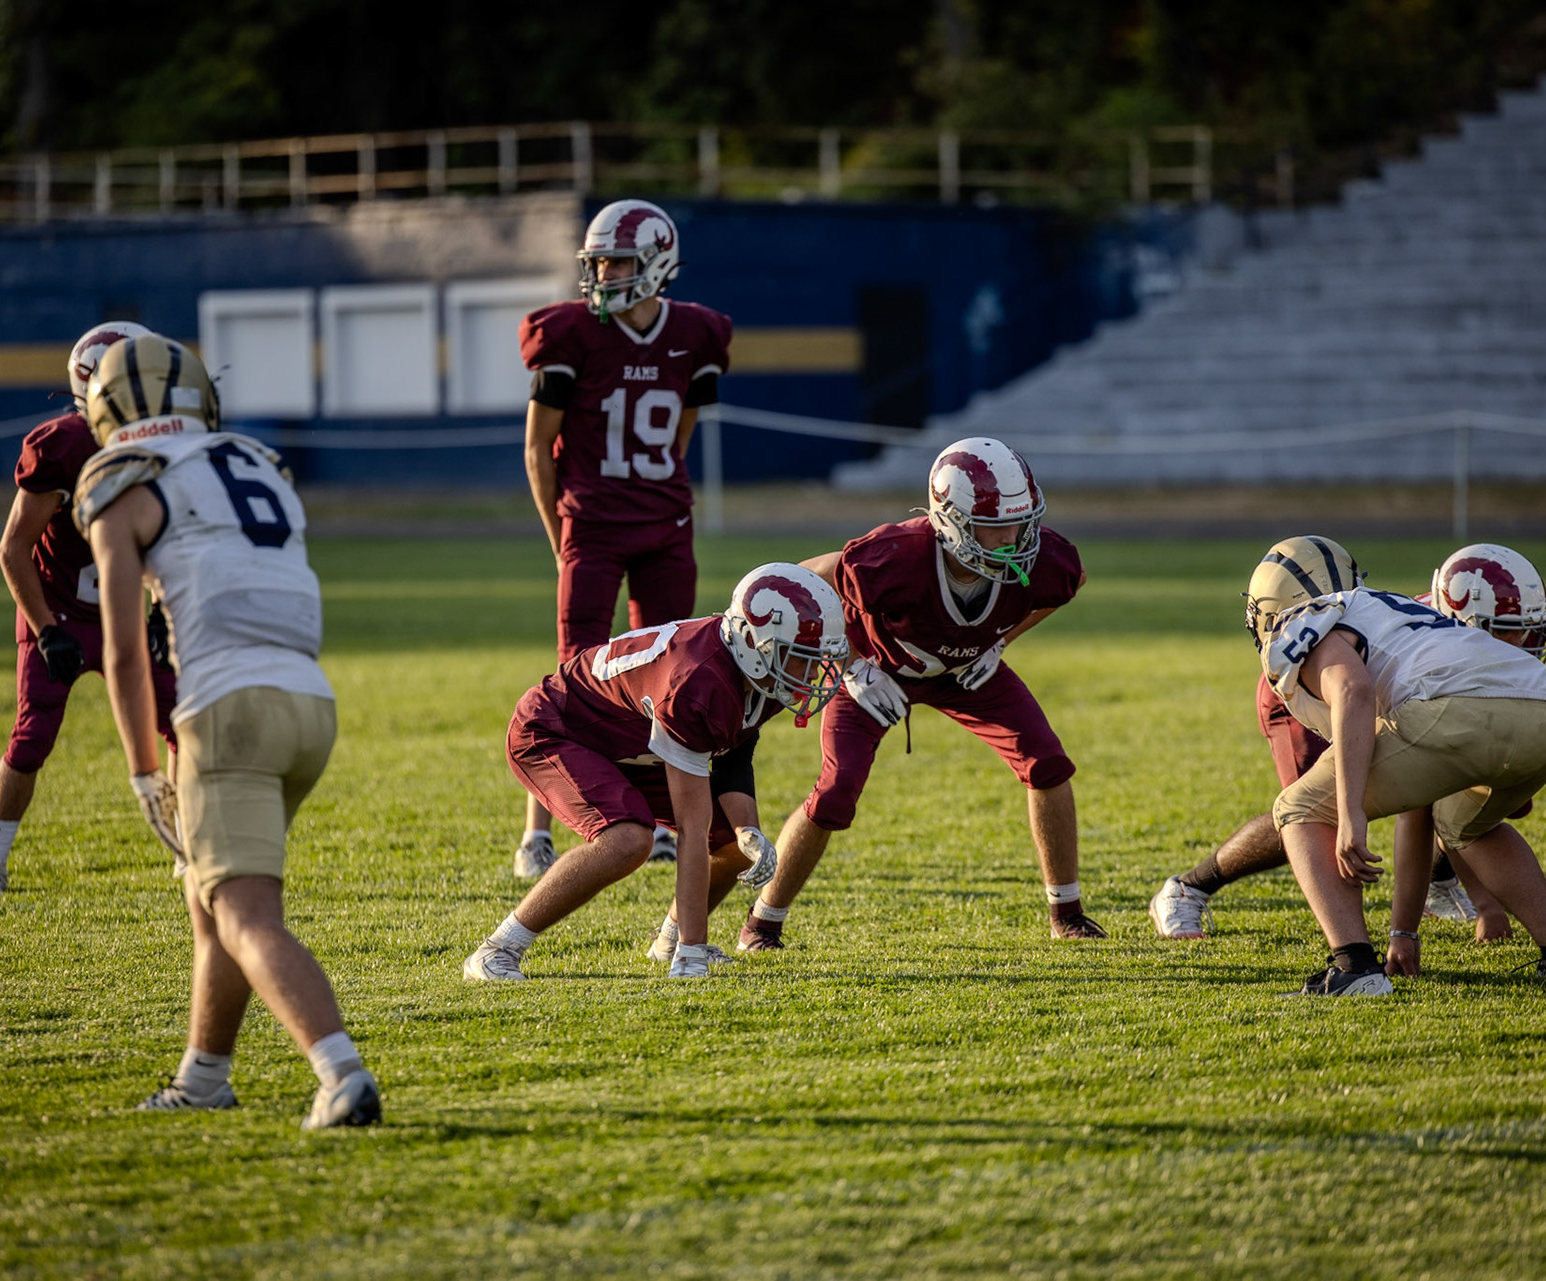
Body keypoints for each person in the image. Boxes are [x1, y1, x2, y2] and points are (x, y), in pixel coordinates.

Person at [73, 334, 379, 1128]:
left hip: (225, 708)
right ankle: (204, 1075)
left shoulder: (119, 477)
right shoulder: (252, 457)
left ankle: (340, 1072)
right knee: (213, 901)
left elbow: (122, 649)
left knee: (246, 916)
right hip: (309, 701)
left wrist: (144, 767)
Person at [733, 437, 1101, 953]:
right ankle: (763, 922)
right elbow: (804, 580)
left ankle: (1067, 912)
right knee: (837, 792)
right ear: (949, 520)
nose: (1015, 539)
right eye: (996, 528)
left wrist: (999, 642)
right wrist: (851, 666)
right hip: (877, 668)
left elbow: (1070, 581)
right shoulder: (893, 557)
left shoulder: (1043, 559)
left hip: (966, 667)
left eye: (1021, 522)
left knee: (1047, 763)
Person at [1148, 541, 1546, 942]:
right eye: (1506, 632)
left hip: (1373, 688)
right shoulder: (1334, 638)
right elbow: (1353, 693)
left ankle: (1437, 881)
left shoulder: (1444, 632)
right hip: (1316, 682)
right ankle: (1193, 887)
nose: (1520, 644)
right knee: (1313, 813)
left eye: (1524, 630)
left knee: (1449, 799)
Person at [1242, 536, 1546, 996]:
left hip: (1457, 711)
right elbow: (1419, 811)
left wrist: (1350, 815)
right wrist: (1403, 932)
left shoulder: (1305, 623)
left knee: (1299, 808)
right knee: (1464, 825)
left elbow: (1351, 689)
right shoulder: (1391, 607)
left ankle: (1353, 969)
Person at [465, 563, 848, 981]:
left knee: (733, 847)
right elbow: (691, 824)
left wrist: (747, 830)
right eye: (801, 660)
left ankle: (669, 943)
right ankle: (498, 948)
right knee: (629, 839)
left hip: (633, 742)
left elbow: (734, 753)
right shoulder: (699, 683)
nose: (812, 674)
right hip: (557, 729)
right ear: (757, 645)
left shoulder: (752, 670)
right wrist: (695, 952)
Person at [510, 198, 735, 881]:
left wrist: (653, 495)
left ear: (659, 262)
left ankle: (666, 823)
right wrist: (562, 533)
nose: (604, 273)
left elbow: (681, 435)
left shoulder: (697, 332)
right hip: (593, 524)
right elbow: (536, 449)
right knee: (571, 677)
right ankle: (537, 829)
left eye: (619, 261)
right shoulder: (569, 331)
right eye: (598, 261)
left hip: (665, 524)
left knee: (668, 679)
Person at [0, 321, 179, 894]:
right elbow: (12, 549)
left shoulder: (156, 442)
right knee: (32, 735)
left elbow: (163, 537)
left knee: (181, 722)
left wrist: (161, 609)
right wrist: (44, 630)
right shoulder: (62, 448)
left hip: (123, 615)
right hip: (56, 612)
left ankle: (187, 848)